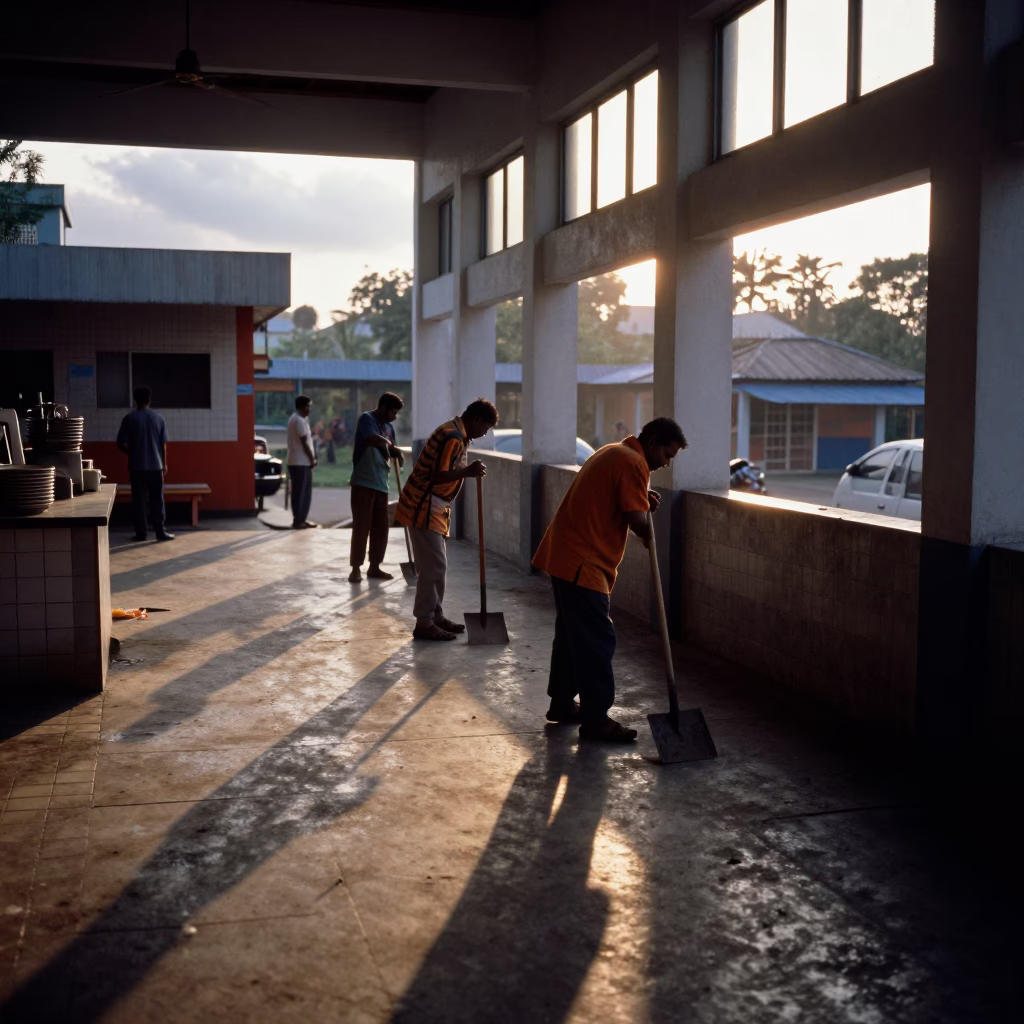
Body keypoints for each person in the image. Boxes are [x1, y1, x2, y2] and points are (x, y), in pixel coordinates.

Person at [532, 417, 688, 742]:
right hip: (583, 563)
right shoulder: (633, 462)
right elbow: (635, 520)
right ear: (654, 441)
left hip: (564, 556)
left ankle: (561, 703)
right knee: (596, 641)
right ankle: (596, 719)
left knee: (572, 637)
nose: (666, 462)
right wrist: (646, 523)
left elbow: (622, 500)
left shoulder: (614, 452)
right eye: (667, 453)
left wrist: (642, 501)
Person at [395, 398, 498, 641]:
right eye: (485, 428)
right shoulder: (452, 436)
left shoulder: (459, 435)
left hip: (436, 507)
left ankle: (435, 615)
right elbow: (437, 475)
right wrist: (468, 472)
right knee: (434, 566)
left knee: (435, 566)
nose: (484, 434)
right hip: (424, 505)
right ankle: (424, 622)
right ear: (476, 420)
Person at [348, 392, 406, 583]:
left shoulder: (389, 427)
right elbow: (374, 439)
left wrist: (396, 454)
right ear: (382, 408)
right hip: (364, 482)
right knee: (361, 527)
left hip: (382, 483)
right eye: (392, 412)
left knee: (381, 529)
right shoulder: (367, 419)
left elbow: (391, 449)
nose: (394, 417)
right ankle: (356, 568)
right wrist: (392, 448)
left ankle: (374, 567)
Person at [116, 386, 174, 542]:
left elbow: (120, 442)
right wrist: (164, 464)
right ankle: (160, 532)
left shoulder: (129, 418)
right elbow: (163, 444)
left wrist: (132, 453)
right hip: (156, 466)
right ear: (149, 400)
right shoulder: (159, 418)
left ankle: (141, 533)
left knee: (139, 500)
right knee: (157, 499)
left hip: (137, 466)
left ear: (135, 401)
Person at [287, 395, 318, 529]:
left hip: (300, 461)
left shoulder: (300, 419)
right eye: (308, 406)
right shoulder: (298, 420)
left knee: (303, 492)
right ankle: (298, 520)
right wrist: (312, 458)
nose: (309, 409)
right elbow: (304, 442)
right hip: (300, 462)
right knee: (300, 493)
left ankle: (301, 519)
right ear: (302, 407)